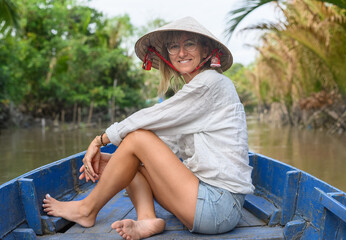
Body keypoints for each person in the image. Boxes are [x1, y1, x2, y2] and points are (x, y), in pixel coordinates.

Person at [42, 16, 254, 240]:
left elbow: (150, 118)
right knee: (131, 151)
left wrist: (100, 140)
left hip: (218, 206)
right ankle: (147, 219)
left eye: (189, 44)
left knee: (136, 138)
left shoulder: (212, 83)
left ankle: (86, 209)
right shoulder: (194, 92)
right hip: (203, 202)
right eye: (174, 46)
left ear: (205, 50)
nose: (181, 52)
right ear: (168, 54)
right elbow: (165, 147)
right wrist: (118, 162)